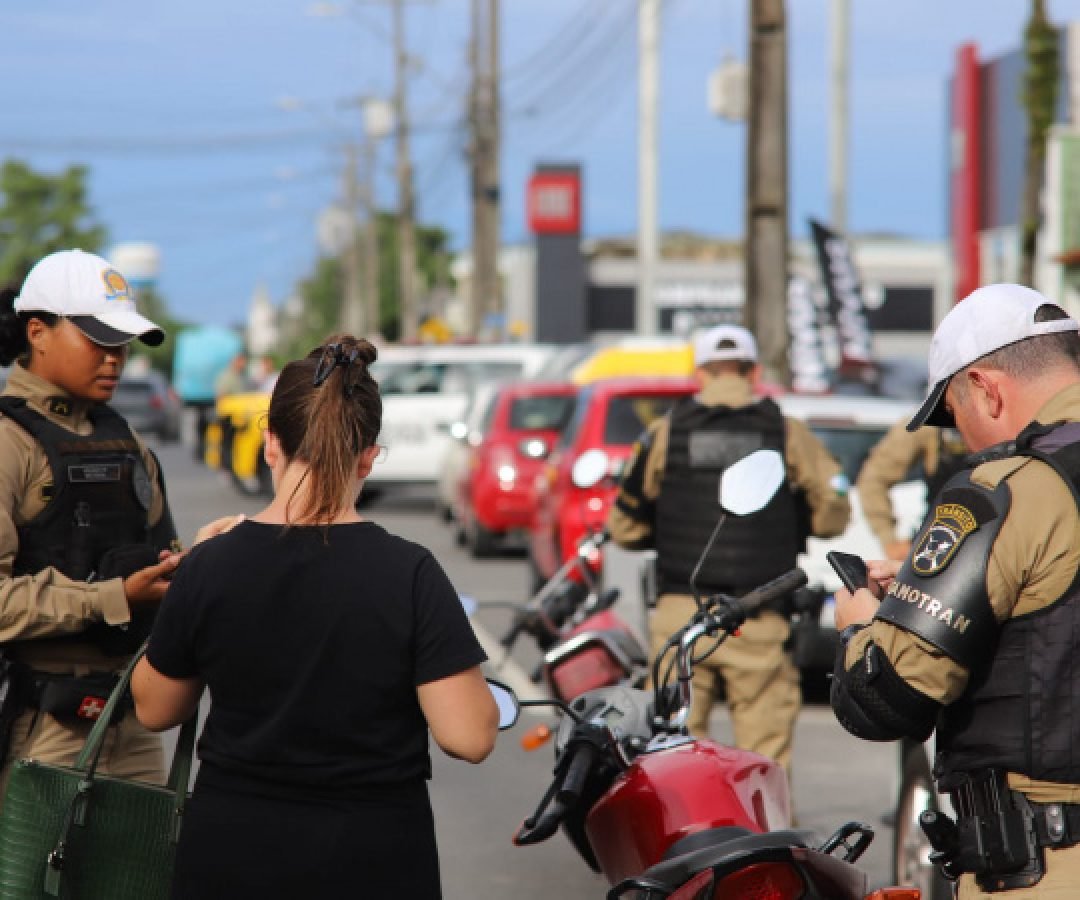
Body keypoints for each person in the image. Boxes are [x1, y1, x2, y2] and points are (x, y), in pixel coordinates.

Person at [131, 334, 499, 899]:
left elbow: (156, 708)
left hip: (231, 853)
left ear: (270, 442)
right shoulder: (410, 572)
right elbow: (469, 736)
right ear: (369, 457)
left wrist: (193, 573)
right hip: (372, 855)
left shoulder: (210, 564)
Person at [830, 283, 1080, 898]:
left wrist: (861, 623)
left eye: (952, 413)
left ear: (987, 388)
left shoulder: (1006, 489)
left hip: (1046, 863)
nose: (960, 437)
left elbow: (886, 697)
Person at [605, 324, 851, 775]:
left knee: (672, 758)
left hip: (682, 620)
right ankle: (761, 843)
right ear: (754, 371)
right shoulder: (785, 431)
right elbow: (834, 515)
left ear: (700, 374)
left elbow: (623, 527)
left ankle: (685, 842)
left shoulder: (665, 432)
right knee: (763, 762)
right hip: (757, 617)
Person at [0, 249, 181, 797]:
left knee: (140, 880)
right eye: (99, 340)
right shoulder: (10, 444)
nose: (116, 358)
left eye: (122, 343)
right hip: (42, 729)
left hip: (133, 723)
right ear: (38, 332)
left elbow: (163, 559)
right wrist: (112, 597)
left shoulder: (126, 441)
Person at [855, 419, 969, 560]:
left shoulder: (998, 415)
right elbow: (873, 479)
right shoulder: (928, 426)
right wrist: (889, 540)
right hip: (938, 542)